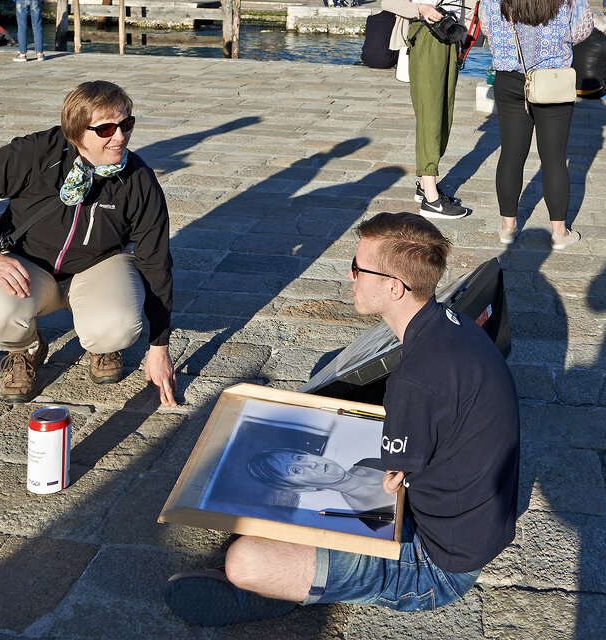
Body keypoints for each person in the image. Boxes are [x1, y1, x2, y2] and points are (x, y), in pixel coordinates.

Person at [164, 212, 520, 627]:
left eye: (358, 268)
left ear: (393, 286)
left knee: (245, 560)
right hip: (467, 529)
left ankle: (272, 595)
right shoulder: (449, 326)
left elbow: (393, 478)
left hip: (436, 564)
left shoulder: (416, 378)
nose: (350, 276)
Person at [0, 81, 177, 406]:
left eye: (126, 124)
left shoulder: (137, 179)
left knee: (117, 326)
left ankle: (103, 345)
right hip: (29, 265)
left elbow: (156, 260)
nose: (120, 137)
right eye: (106, 128)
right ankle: (25, 347)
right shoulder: (35, 154)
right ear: (78, 131)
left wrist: (159, 347)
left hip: (98, 267)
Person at [480, 0, 593, 250]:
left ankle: (507, 227)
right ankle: (559, 233)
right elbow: (581, 30)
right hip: (553, 82)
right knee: (554, 157)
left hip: (510, 79)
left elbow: (487, 30)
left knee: (511, 154)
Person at [402, 0, 486, 219]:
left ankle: (426, 184)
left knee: (445, 114)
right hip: (425, 42)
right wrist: (420, 8)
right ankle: (431, 198)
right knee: (430, 113)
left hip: (451, 44)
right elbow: (389, 1)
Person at [247, 450, 393, 513]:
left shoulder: (366, 462)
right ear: (307, 488)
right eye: (296, 470)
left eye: (299, 458)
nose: (312, 464)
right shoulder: (370, 513)